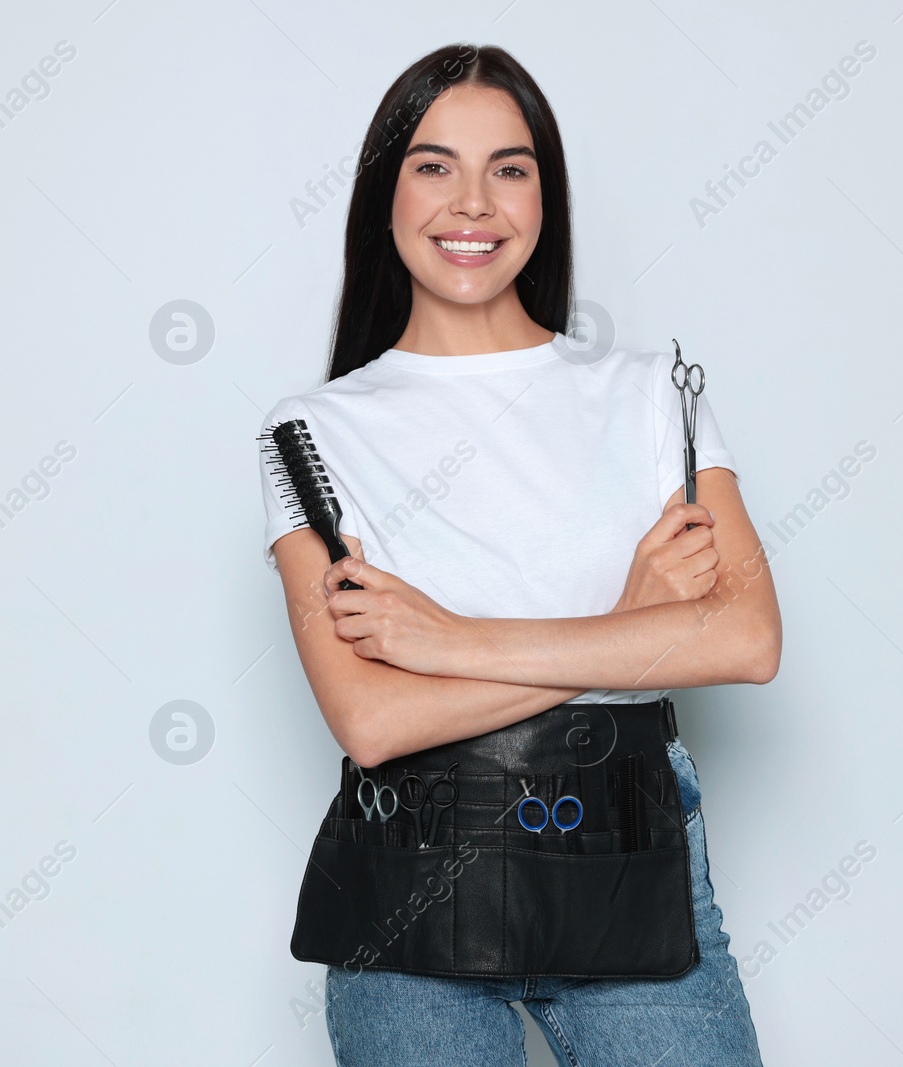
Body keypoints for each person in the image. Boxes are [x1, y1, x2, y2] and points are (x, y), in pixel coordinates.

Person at [257, 42, 780, 1067]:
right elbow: (373, 720)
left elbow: (748, 638)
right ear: (384, 192)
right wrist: (629, 632)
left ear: (545, 195)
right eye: (432, 164)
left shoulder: (647, 392)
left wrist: (447, 638)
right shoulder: (311, 432)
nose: (473, 202)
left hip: (630, 854)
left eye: (510, 166)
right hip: (407, 887)